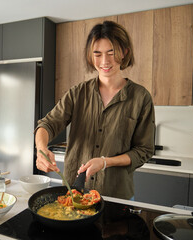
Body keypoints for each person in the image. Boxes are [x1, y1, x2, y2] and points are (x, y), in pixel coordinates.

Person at [34, 21, 155, 200]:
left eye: (111, 53)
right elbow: (47, 124)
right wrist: (41, 148)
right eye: (97, 54)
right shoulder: (78, 93)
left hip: (116, 196)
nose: (105, 61)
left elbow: (144, 150)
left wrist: (105, 162)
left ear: (125, 52)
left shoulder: (140, 97)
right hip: (73, 193)